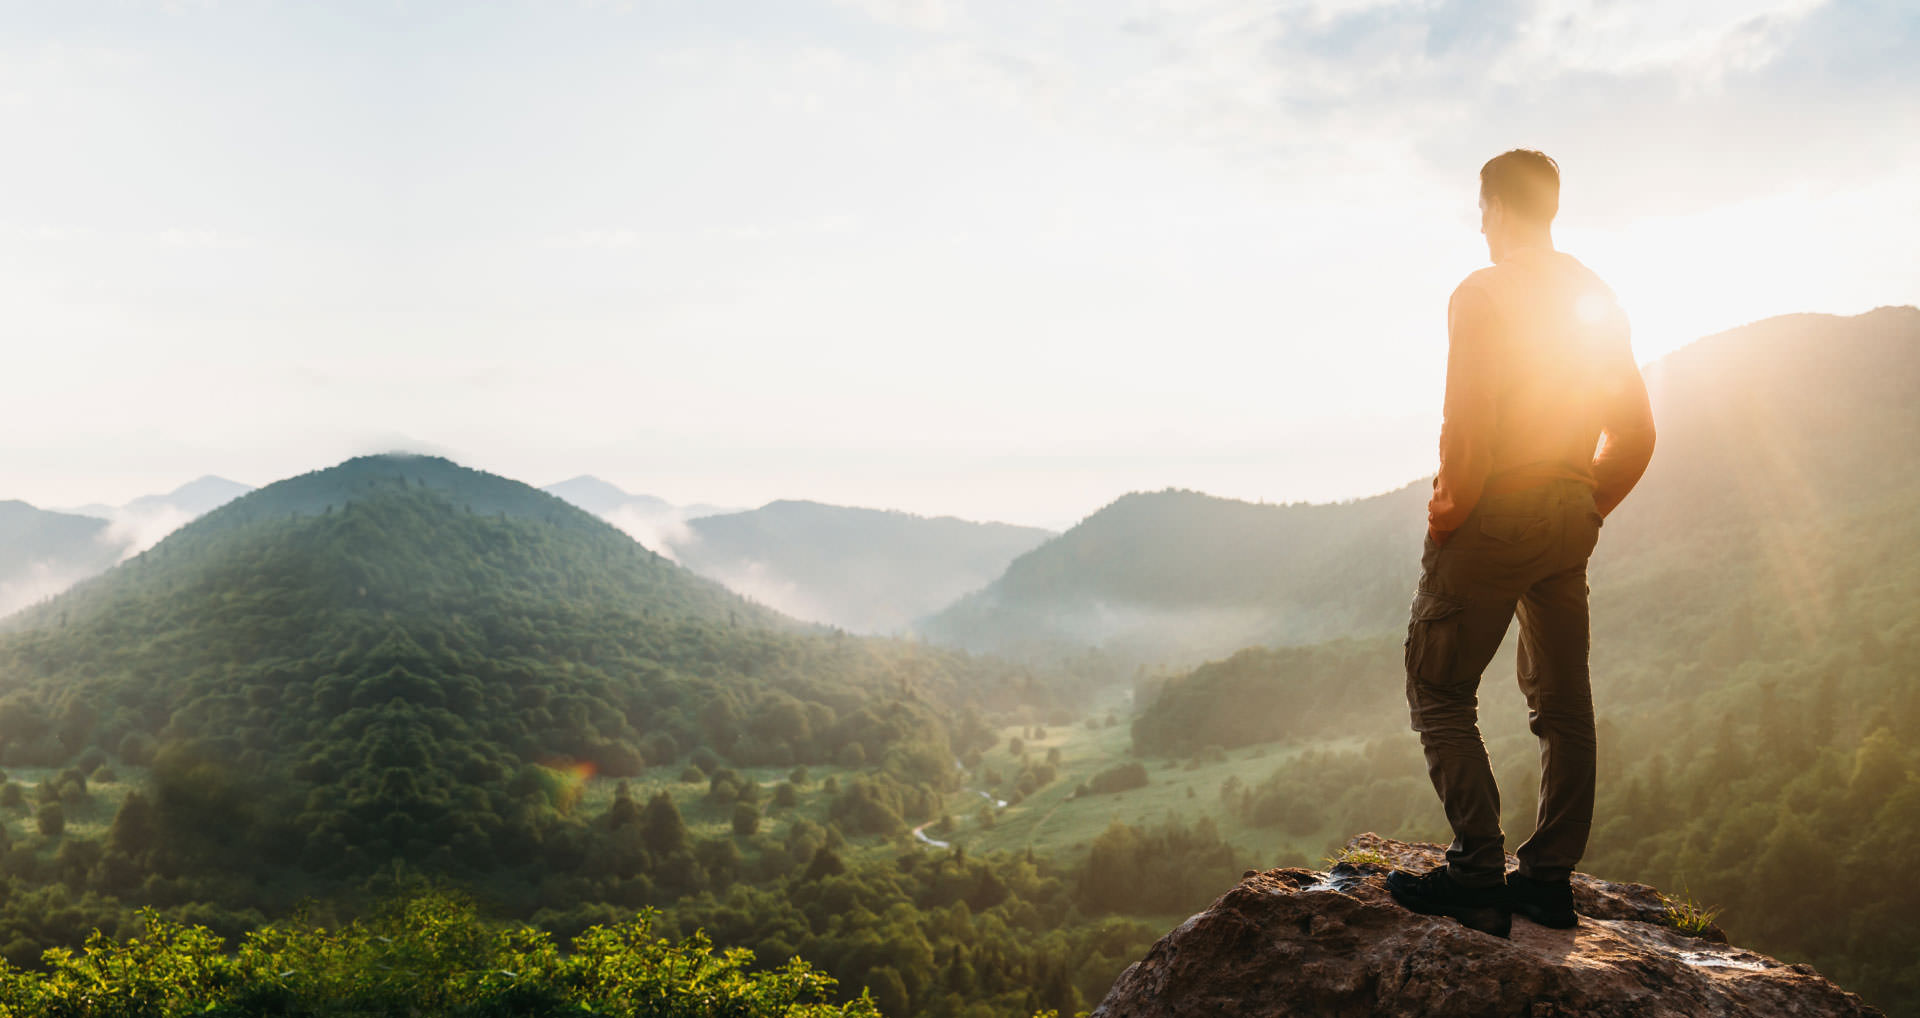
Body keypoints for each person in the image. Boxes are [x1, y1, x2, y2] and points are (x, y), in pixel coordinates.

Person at [1385, 149, 1657, 938]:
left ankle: (1475, 872)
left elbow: (1467, 429)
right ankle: (1547, 882)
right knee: (1564, 701)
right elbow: (1637, 432)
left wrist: (1447, 513)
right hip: (1570, 512)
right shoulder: (1594, 294)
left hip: (1494, 513)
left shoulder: (1484, 291)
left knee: (1438, 688)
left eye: (1480, 209)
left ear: (1495, 206)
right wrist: (1585, 505)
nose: (1479, 223)